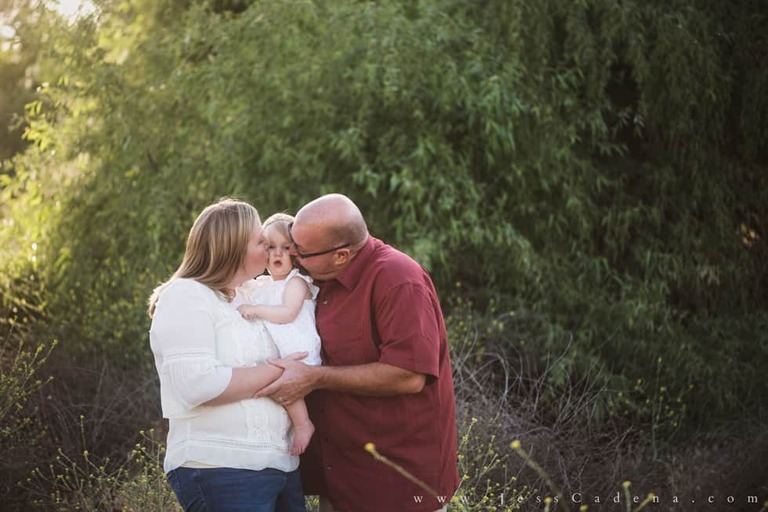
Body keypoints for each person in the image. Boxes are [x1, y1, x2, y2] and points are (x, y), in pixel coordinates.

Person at [256, 193, 459, 512]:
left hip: (396, 484)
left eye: (301, 250)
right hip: (341, 478)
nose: (291, 252)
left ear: (341, 255)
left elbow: (408, 375)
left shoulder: (398, 280)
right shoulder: (318, 278)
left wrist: (315, 378)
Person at [147, 198, 307, 512]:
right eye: (261, 241)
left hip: (280, 465)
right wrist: (282, 373)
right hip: (220, 467)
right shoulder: (187, 295)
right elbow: (197, 385)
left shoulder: (252, 296)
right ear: (232, 247)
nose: (270, 248)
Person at [238, 212, 322, 456]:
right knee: (273, 379)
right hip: (281, 348)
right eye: (271, 247)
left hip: (298, 349)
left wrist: (255, 310)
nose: (277, 253)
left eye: (285, 248)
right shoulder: (265, 283)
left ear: (296, 254)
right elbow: (246, 288)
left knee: (283, 380)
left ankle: (303, 424)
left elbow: (287, 313)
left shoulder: (296, 282)